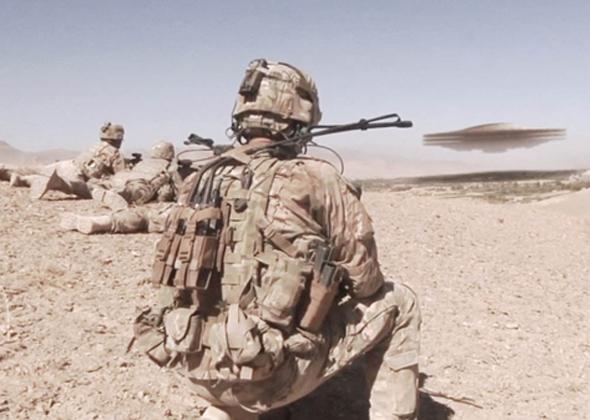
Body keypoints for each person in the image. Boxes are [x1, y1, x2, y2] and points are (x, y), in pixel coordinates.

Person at [132, 59, 421, 420]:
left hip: (190, 363)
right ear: (301, 116)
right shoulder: (315, 177)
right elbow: (367, 282)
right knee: (400, 301)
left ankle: (228, 409)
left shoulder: (199, 179)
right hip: (266, 375)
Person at [7, 122, 127, 199]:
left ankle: (19, 178)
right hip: (77, 175)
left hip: (67, 165)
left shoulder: (95, 146)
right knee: (91, 192)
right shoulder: (115, 154)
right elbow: (121, 177)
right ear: (118, 138)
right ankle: (56, 181)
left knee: (37, 171)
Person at [88, 140, 180, 210]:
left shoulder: (144, 162)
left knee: (119, 187)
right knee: (134, 193)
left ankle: (106, 191)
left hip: (125, 180)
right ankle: (118, 195)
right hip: (142, 186)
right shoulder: (170, 167)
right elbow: (175, 189)